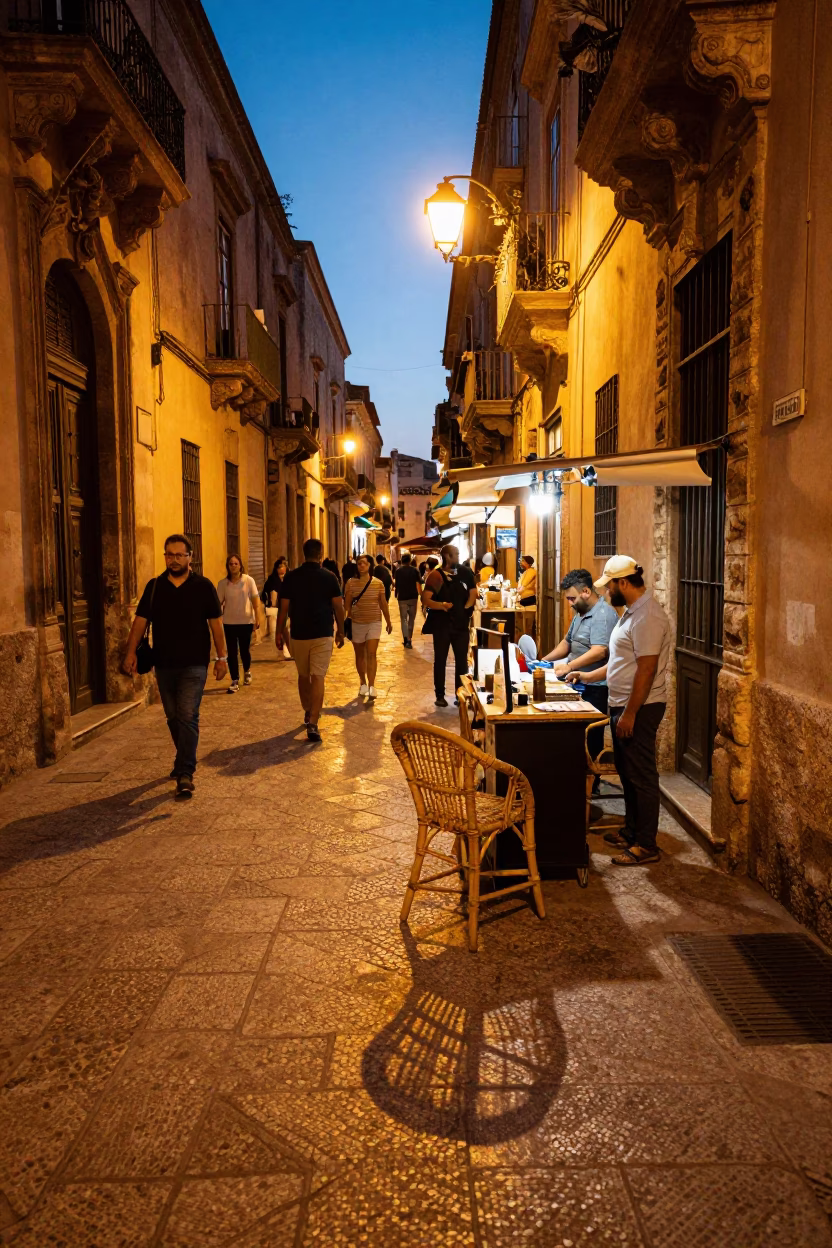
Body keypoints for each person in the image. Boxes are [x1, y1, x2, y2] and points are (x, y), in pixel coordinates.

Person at [568, 555, 670, 866]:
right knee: (627, 773)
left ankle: (646, 844)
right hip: (622, 703)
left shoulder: (648, 617)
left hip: (639, 706)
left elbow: (646, 670)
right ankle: (631, 831)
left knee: (641, 775)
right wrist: (587, 675)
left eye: (609, 585)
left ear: (623, 583)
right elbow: (621, 663)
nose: (607, 591)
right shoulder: (630, 614)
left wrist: (630, 714)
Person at [123, 534, 226, 800]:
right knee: (173, 716)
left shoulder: (203, 586)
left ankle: (185, 773)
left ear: (190, 557)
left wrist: (222, 658)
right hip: (164, 663)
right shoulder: (155, 586)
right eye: (169, 555)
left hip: (194, 664)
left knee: (188, 714)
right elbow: (140, 622)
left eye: (180, 555)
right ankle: (183, 758)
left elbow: (216, 624)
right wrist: (130, 652)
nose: (174, 560)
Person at [544, 568, 618, 762]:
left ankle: (590, 785)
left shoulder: (603, 615)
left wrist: (570, 667)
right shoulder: (581, 611)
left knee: (590, 741)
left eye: (572, 599)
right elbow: (567, 643)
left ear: (586, 591)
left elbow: (600, 650)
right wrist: (544, 660)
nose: (570, 604)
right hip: (576, 684)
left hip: (594, 688)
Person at [275, 538, 345, 743]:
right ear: (321, 554)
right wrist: (341, 630)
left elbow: (284, 609)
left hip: (299, 633)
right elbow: (338, 607)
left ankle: (308, 711)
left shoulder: (291, 577)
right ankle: (313, 722)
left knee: (303, 675)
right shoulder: (330, 577)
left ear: (303, 553)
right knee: (318, 677)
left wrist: (279, 632)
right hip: (323, 632)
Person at [422, 543, 477, 708]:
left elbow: (474, 593)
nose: (458, 557)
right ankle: (440, 695)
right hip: (441, 625)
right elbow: (426, 599)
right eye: (456, 554)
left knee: (462, 662)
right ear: (447, 557)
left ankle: (460, 695)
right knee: (440, 660)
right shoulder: (435, 576)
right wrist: (442, 606)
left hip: (461, 625)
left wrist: (465, 609)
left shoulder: (465, 572)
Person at [344, 552, 393, 699]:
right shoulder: (351, 583)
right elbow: (347, 605)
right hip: (357, 623)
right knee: (360, 655)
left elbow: (383, 604)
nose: (362, 566)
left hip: (374, 622)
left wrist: (388, 621)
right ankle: (363, 682)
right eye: (359, 563)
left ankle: (372, 685)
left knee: (371, 653)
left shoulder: (378, 583)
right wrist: (346, 620)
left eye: (364, 563)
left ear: (370, 565)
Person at [217, 554, 262, 692]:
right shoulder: (223, 584)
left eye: (236, 563)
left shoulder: (248, 581)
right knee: (232, 652)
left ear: (240, 565)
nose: (233, 566)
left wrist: (257, 618)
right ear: (228, 566)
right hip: (229, 622)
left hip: (246, 621)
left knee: (244, 650)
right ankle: (234, 679)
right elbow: (218, 603)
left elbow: (256, 601)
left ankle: (247, 670)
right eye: (231, 564)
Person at [393, 552, 422, 648]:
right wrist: (421, 594)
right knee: (411, 619)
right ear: (410, 560)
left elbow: (396, 584)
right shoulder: (415, 570)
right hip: (413, 597)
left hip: (402, 598)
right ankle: (409, 639)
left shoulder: (398, 571)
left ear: (402, 560)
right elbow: (419, 583)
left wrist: (396, 594)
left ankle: (406, 639)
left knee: (403, 619)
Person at [263, 557, 290, 656]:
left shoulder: (289, 578)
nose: (282, 569)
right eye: (279, 567)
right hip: (275, 610)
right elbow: (270, 594)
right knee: (278, 630)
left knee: (286, 629)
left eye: (283, 566)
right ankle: (282, 650)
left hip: (287, 609)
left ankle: (287, 650)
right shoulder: (272, 580)